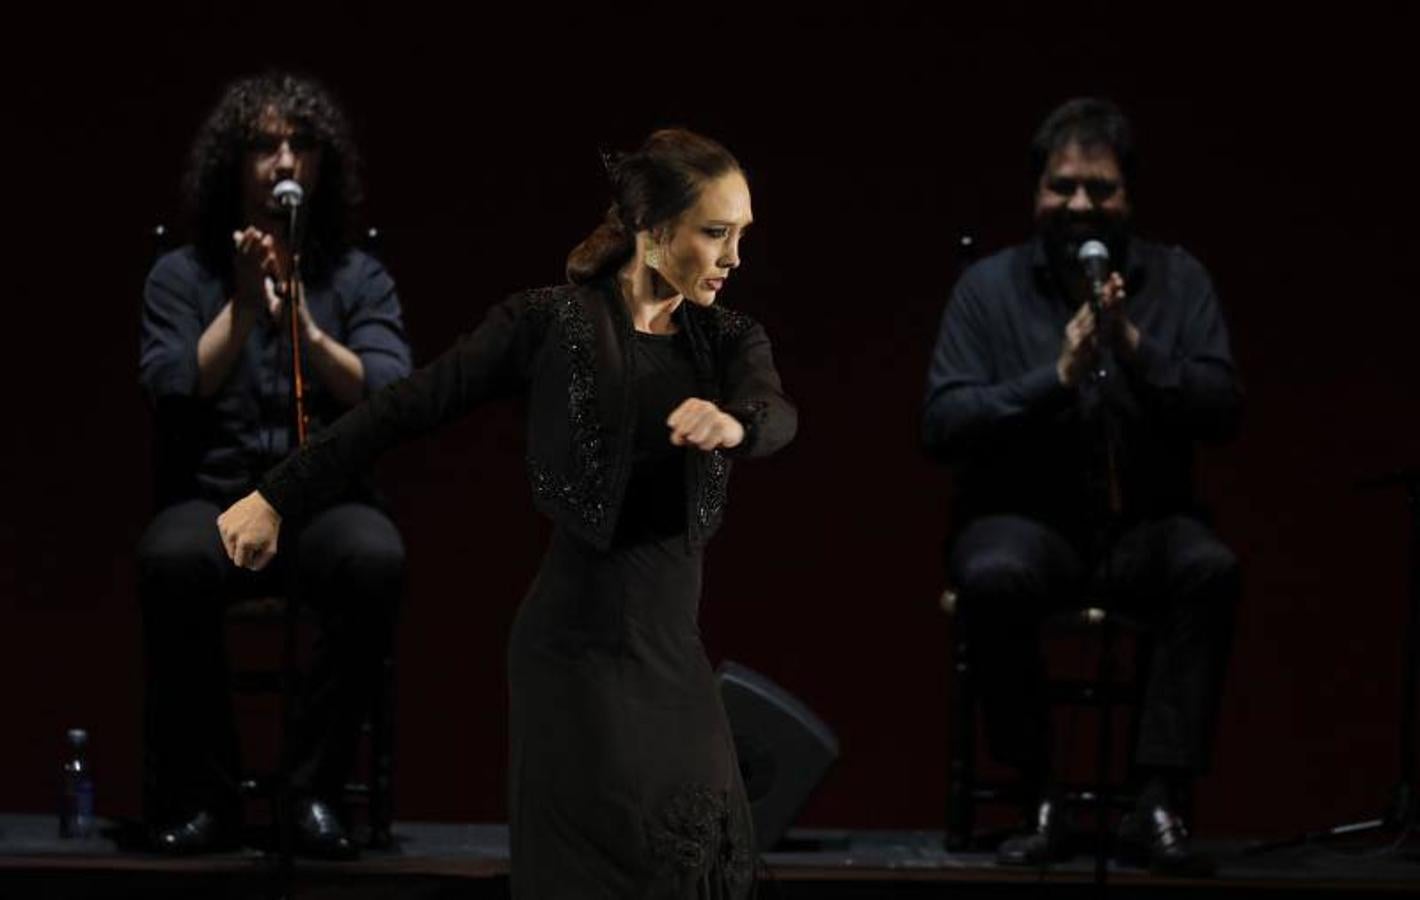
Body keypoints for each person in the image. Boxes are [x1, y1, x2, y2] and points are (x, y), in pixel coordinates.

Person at [217, 128, 796, 897]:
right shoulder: (548, 323)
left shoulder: (727, 339)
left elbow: (775, 409)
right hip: (570, 657)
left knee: (698, 865)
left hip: (667, 653)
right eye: (716, 234)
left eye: (741, 236)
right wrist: (275, 494)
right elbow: (407, 406)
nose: (733, 258)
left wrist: (736, 425)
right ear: (654, 232)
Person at [921, 97, 1241, 875]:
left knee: (1209, 568)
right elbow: (943, 420)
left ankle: (1156, 797)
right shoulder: (989, 289)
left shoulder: (1179, 279)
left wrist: (1133, 348)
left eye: (1099, 190)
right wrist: (1052, 379)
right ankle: (1042, 794)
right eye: (1063, 188)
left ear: (1128, 197)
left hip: (1145, 522)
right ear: (1037, 193)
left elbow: (1223, 407)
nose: (1079, 206)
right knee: (994, 577)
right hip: (1025, 520)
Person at [137, 72, 411, 858]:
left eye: (299, 143)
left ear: (322, 164)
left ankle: (312, 794)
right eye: (264, 143)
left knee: (374, 559)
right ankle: (211, 799)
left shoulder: (357, 278)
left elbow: (388, 390)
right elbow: (170, 387)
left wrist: (304, 323)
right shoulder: (181, 276)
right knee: (168, 559)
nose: (282, 158)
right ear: (235, 160)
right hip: (217, 498)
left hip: (322, 503)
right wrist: (245, 311)